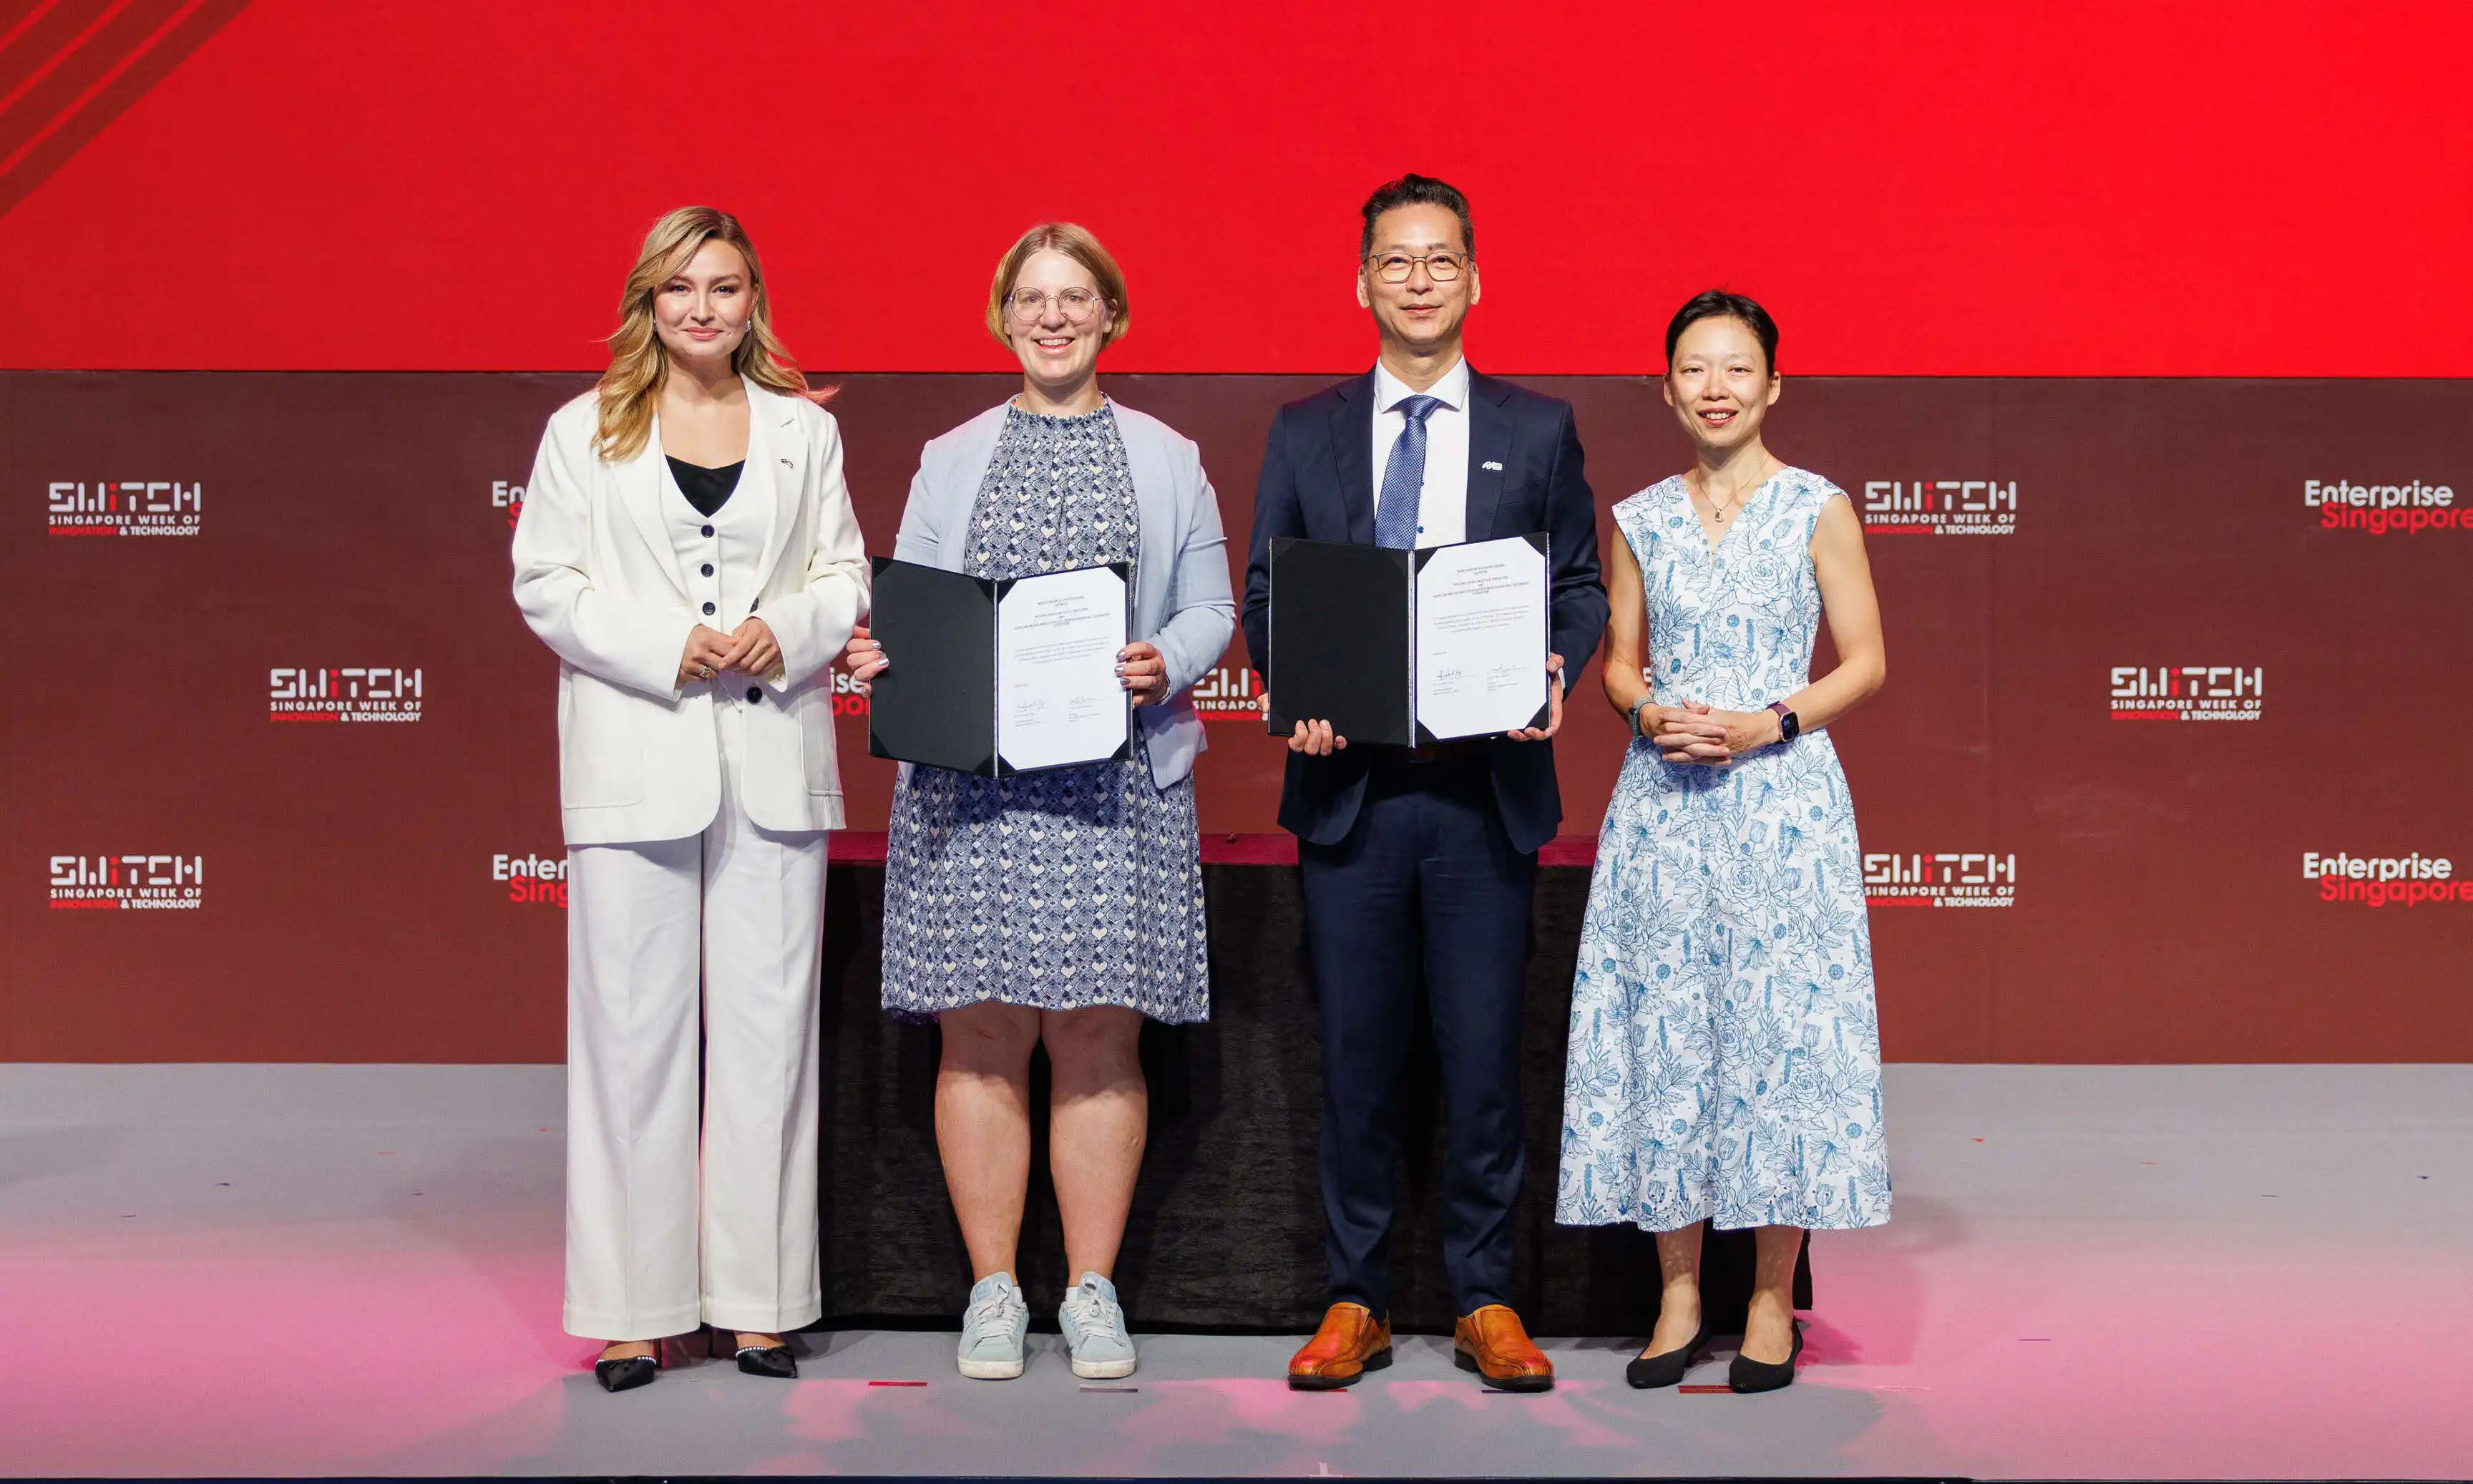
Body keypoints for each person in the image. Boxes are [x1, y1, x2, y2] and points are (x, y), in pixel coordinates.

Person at [842, 223, 1233, 1382]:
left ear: (1113, 313)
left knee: (1103, 1036)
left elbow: (1209, 602)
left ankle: (1093, 1292)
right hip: (975, 791)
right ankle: (996, 1291)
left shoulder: (1168, 453)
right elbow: (908, 599)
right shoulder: (949, 455)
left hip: (1118, 790)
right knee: (980, 1036)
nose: (1053, 316)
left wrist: (1165, 654)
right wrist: (885, 651)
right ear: (1002, 316)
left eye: (1076, 297)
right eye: (1031, 297)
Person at [1242, 175, 1607, 1392]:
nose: (1418, 280)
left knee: (1483, 1054)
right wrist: (1296, 690)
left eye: (1440, 260)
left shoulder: (1539, 425)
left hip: (1483, 792)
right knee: (1353, 1056)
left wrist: (1560, 661)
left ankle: (1485, 1295)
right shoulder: (1304, 429)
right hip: (1349, 793)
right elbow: (1265, 597)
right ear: (1362, 282)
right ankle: (1357, 1299)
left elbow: (1578, 584)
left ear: (1475, 279)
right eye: (1396, 262)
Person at [512, 206, 867, 1393]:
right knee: (630, 1040)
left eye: (723, 286)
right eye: (679, 288)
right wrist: (673, 642)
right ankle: (630, 1308)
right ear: (646, 302)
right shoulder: (582, 431)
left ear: (753, 300)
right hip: (634, 758)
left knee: (768, 1042)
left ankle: (760, 1303)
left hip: (772, 760)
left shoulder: (799, 435)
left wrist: (788, 630)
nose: (702, 307)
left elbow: (843, 572)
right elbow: (547, 584)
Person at [1556, 290, 1891, 1395]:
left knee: (1776, 1042)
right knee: (1669, 1036)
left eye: (1737, 369)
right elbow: (1616, 659)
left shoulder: (1817, 507)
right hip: (1663, 808)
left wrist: (1769, 721)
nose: (1715, 388)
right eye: (1695, 369)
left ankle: (1766, 1299)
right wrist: (1642, 709)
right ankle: (1678, 1292)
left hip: (1784, 807)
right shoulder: (1641, 515)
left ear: (1773, 385)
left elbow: (1865, 660)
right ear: (1667, 387)